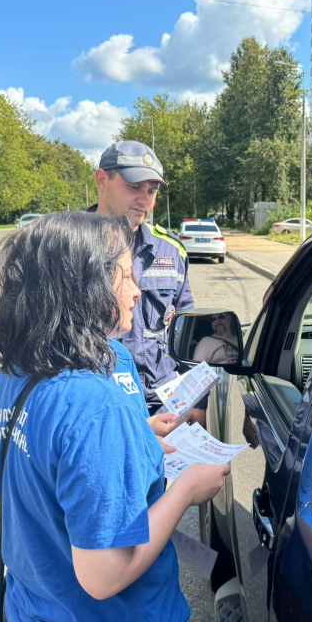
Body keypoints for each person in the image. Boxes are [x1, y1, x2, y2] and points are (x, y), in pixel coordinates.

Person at [0, 212, 229, 622]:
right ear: (82, 285)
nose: (138, 290)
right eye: (126, 275)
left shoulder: (17, 371)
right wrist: (186, 491)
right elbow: (105, 574)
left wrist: (137, 435)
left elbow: (33, 464)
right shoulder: (94, 404)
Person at [91, 140, 206, 424]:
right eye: (134, 187)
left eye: (152, 191)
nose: (145, 200)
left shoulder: (172, 250)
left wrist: (198, 403)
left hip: (165, 405)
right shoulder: (69, 246)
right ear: (102, 179)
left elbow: (187, 331)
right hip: (100, 408)